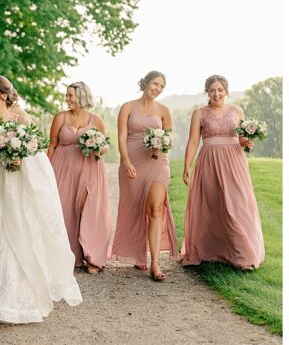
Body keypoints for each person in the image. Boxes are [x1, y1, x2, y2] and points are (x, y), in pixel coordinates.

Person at [0, 76, 82, 324]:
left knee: (15, 240)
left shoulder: (22, 120)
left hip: (17, 189)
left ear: (3, 95)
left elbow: (39, 161)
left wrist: (19, 160)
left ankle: (10, 304)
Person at [182, 74, 264, 270]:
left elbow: (242, 141)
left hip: (234, 162)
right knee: (212, 205)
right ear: (206, 93)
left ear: (226, 91)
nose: (216, 94)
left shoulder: (237, 111)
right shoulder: (199, 113)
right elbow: (194, 141)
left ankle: (243, 254)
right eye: (212, 90)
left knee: (237, 205)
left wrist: (248, 141)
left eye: (220, 90)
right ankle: (211, 251)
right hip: (208, 161)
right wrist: (187, 165)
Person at [112, 70, 179, 279]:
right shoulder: (127, 107)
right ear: (145, 83)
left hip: (157, 162)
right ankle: (139, 255)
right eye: (155, 84)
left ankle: (155, 264)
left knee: (156, 209)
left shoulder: (164, 111)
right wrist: (126, 161)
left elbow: (169, 138)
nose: (157, 88)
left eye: (161, 86)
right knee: (135, 209)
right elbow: (122, 137)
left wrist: (163, 148)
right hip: (132, 163)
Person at [48, 81, 111, 273]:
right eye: (66, 95)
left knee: (90, 209)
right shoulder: (60, 117)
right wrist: (45, 171)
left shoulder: (96, 119)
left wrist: (98, 147)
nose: (67, 99)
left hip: (90, 167)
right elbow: (52, 145)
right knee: (65, 210)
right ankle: (69, 256)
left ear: (81, 97)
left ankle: (92, 255)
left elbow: (105, 145)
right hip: (62, 168)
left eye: (70, 96)